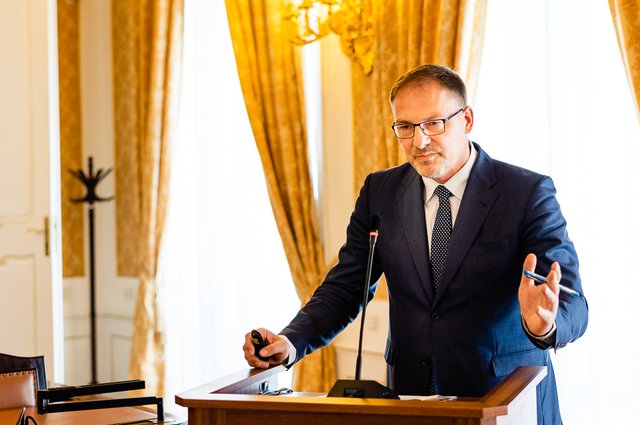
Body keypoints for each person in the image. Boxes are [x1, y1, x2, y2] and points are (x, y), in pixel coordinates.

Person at [243, 64, 588, 425]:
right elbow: (346, 287)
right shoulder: (380, 192)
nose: (419, 141)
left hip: (505, 402)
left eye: (434, 123)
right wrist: (290, 342)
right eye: (405, 127)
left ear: (467, 119)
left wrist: (544, 325)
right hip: (411, 402)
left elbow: (573, 302)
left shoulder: (526, 192)